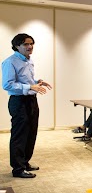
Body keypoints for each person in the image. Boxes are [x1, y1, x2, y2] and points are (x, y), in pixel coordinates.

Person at [2, 33, 53, 178]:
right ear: (17, 46)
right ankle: (18, 168)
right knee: (20, 135)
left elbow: (26, 80)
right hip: (18, 102)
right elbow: (7, 84)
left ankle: (25, 162)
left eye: (31, 44)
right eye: (25, 44)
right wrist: (30, 87)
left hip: (31, 101)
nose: (30, 47)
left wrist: (37, 82)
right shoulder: (10, 62)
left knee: (31, 133)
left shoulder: (28, 61)